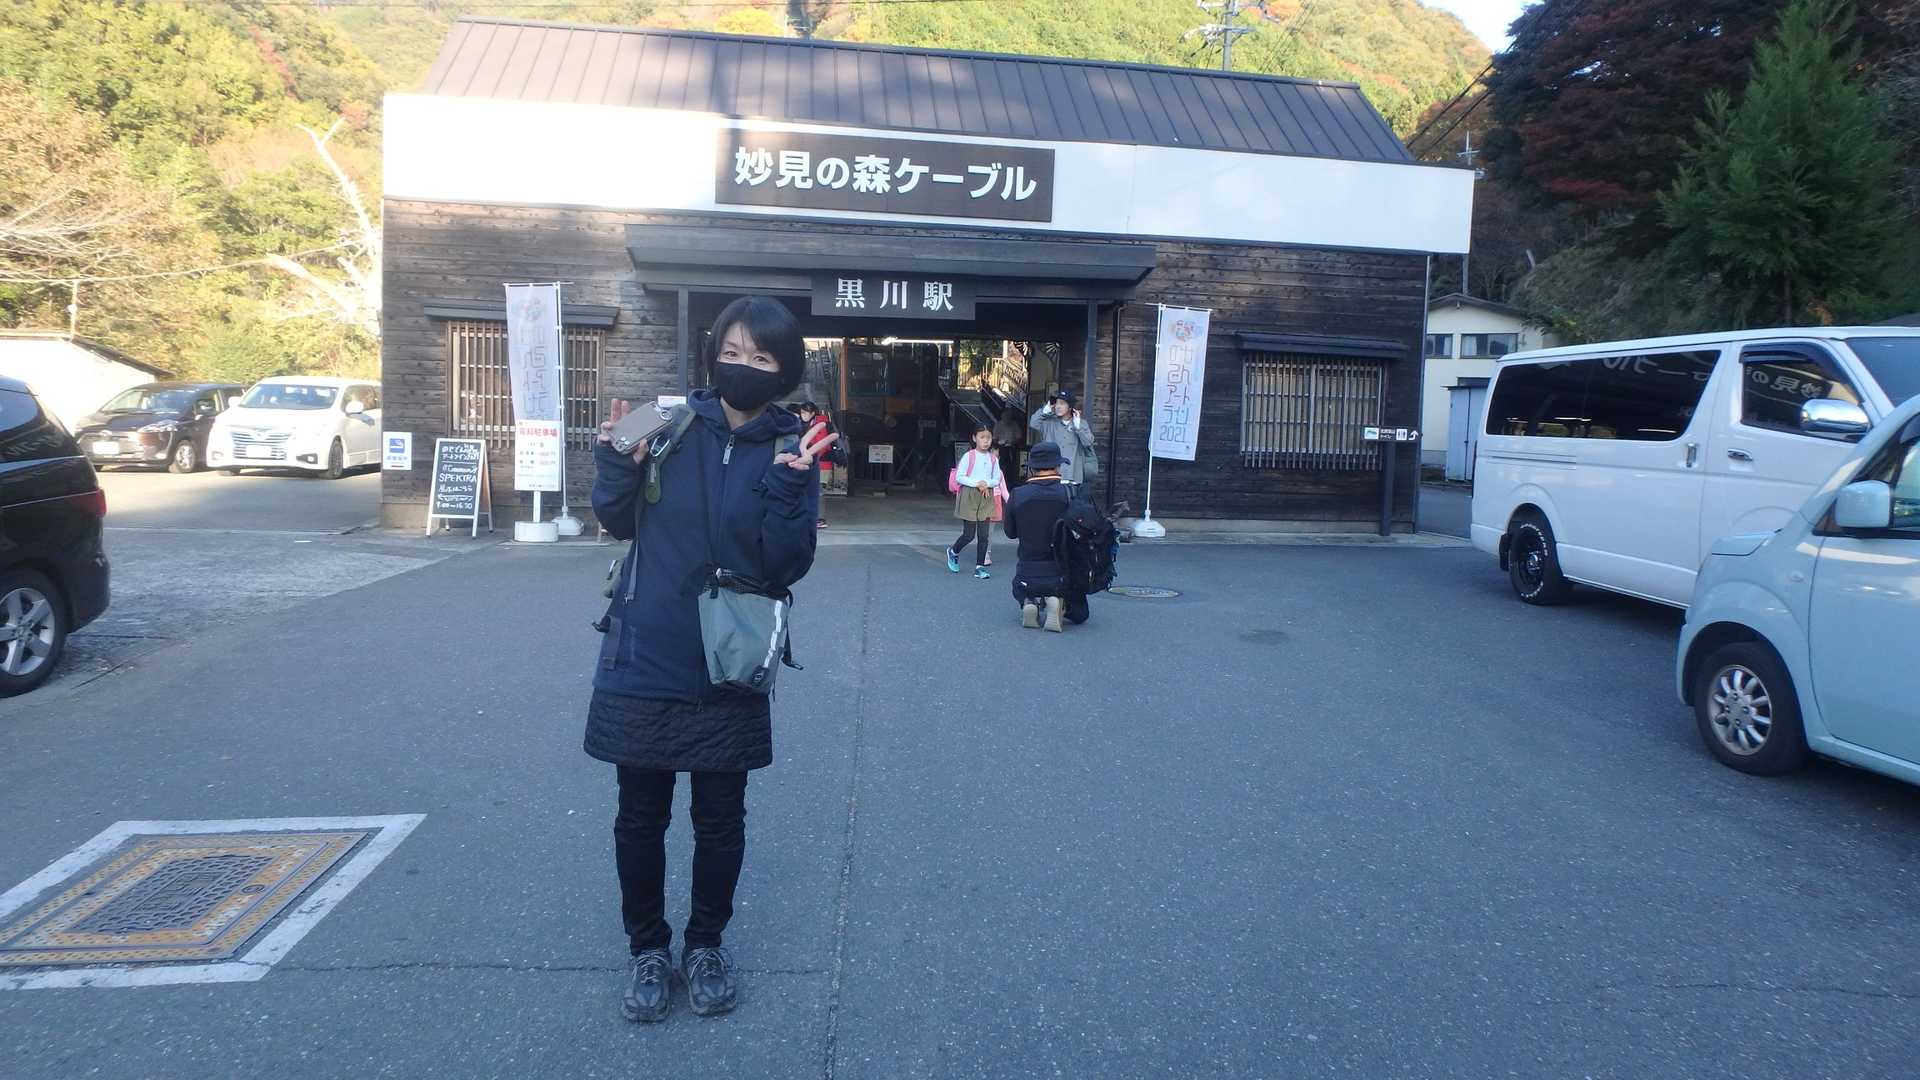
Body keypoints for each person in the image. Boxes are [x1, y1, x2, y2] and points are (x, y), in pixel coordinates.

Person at [587, 295, 836, 1024]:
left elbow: (786, 565)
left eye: (761, 357)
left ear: (784, 370)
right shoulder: (662, 418)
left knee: (720, 818)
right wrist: (616, 462)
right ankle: (647, 949)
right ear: (711, 355)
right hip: (649, 645)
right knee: (640, 815)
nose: (743, 366)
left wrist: (789, 488)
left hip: (730, 658)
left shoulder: (793, 446)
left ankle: (705, 946)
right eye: (731, 351)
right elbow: (613, 516)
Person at [1001, 440, 1090, 631]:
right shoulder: (1071, 492)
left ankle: (1029, 601)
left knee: (1025, 586)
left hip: (1027, 571)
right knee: (1081, 614)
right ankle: (1057, 601)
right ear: (1058, 466)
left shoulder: (1017, 494)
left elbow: (1010, 533)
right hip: (1062, 571)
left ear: (1032, 468)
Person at [946, 424, 1003, 579]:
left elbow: (997, 478)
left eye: (988, 437)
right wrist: (978, 483)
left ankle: (980, 567)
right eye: (982, 437)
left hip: (986, 496)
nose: (986, 441)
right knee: (969, 535)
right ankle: (953, 552)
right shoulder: (969, 456)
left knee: (984, 536)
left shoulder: (993, 458)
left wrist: (986, 484)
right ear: (974, 438)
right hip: (969, 495)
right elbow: (960, 477)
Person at [1029, 389, 1097, 498]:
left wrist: (1078, 427)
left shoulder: (1081, 423)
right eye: (1056, 403)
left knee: (1072, 506)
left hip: (1073, 476)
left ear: (1070, 407)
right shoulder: (1048, 422)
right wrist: (1045, 410)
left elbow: (1088, 442)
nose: (1058, 406)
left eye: (1062, 404)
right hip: (1052, 476)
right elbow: (1033, 423)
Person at [795, 401, 834, 529]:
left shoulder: (820, 424)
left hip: (821, 462)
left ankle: (819, 519)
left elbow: (822, 445)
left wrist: (806, 451)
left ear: (813, 413)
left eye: (806, 412)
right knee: (810, 490)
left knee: (818, 491)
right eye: (802, 412)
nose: (804, 415)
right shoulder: (806, 424)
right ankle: (811, 516)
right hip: (811, 462)